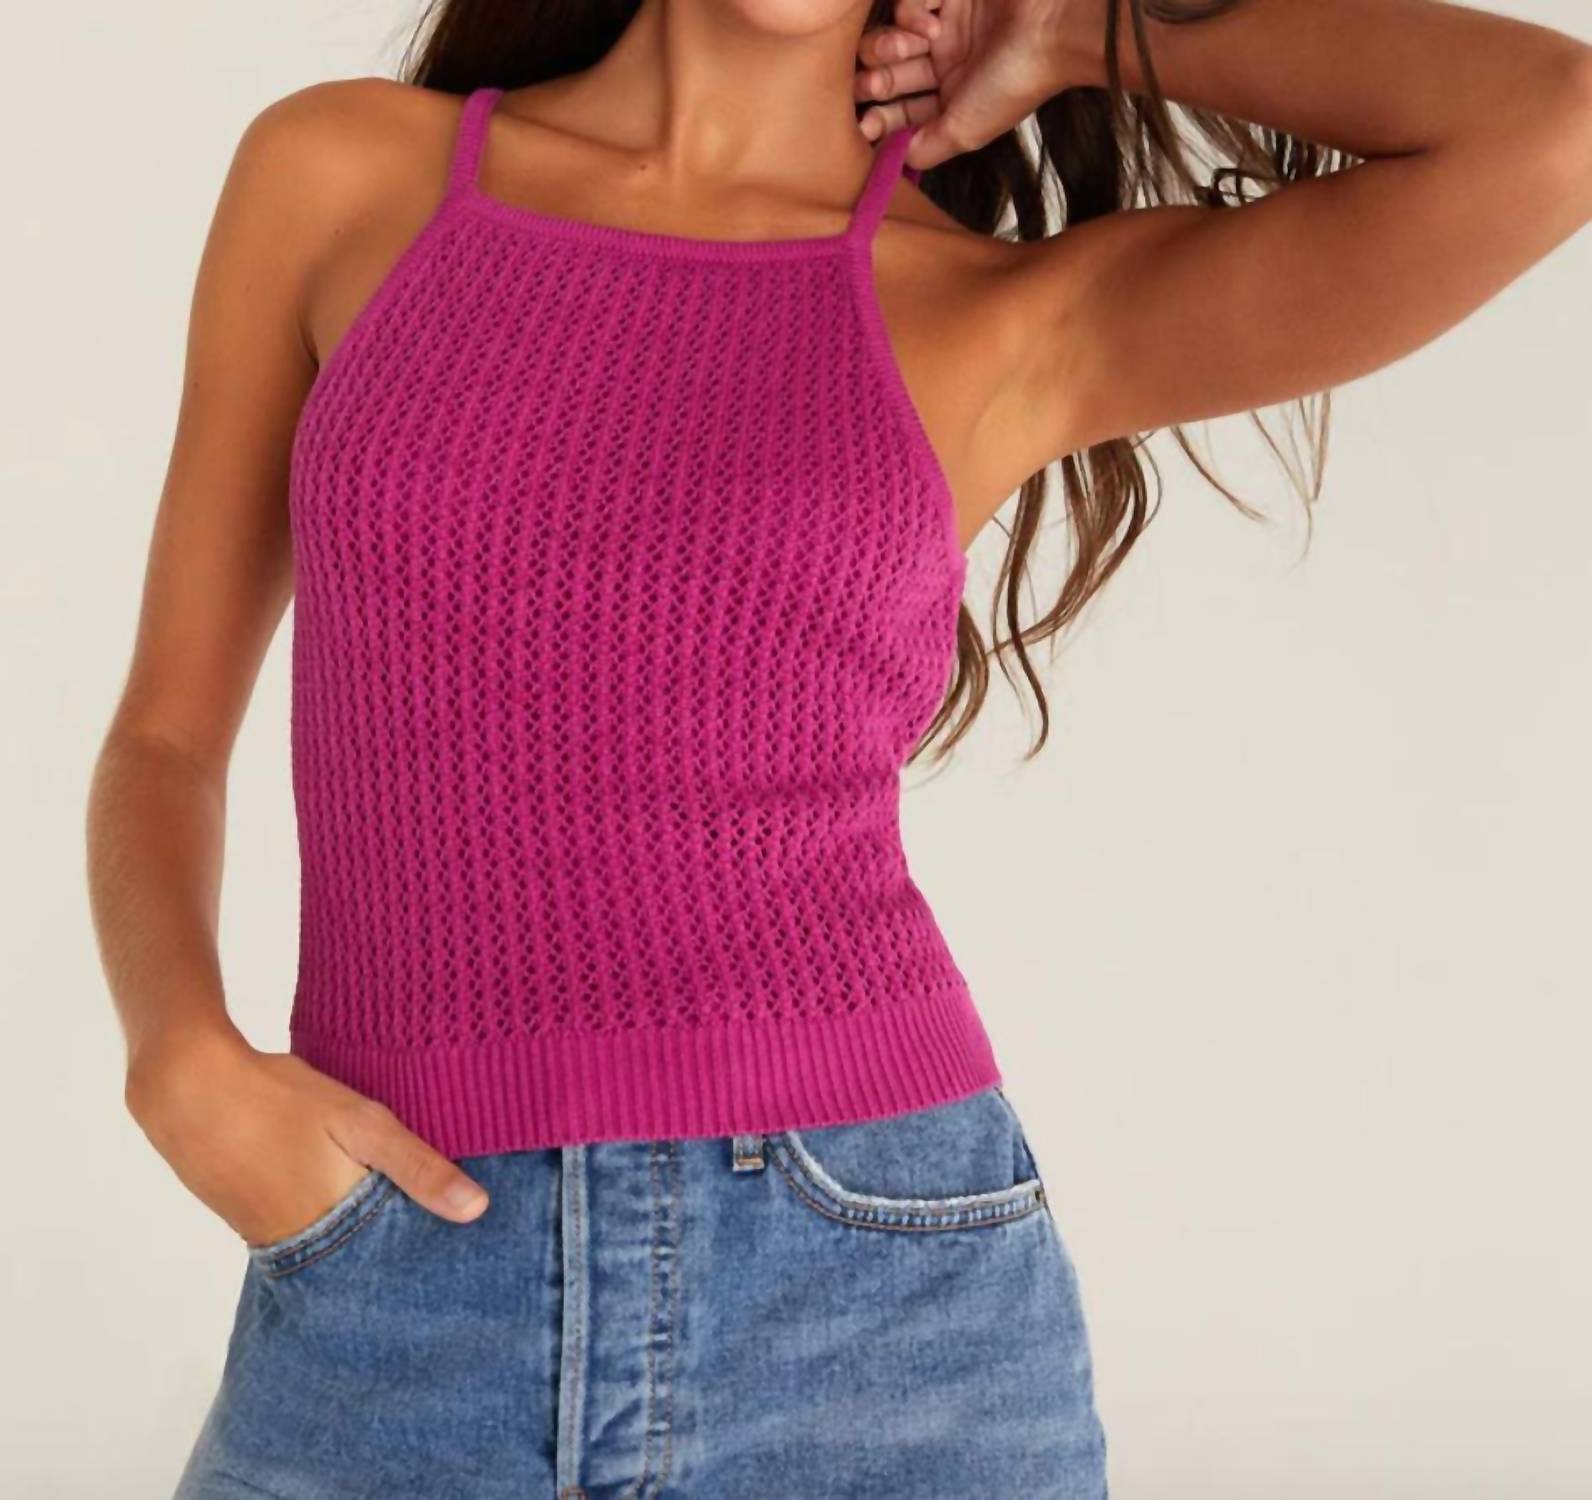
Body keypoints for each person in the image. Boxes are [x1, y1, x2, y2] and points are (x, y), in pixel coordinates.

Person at [84, 0, 1590, 1494]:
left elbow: (1554, 124)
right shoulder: (348, 176)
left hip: (878, 1300)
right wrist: (178, 1055)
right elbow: (166, 730)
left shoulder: (994, 309)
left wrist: (1076, 27)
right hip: (390, 1277)